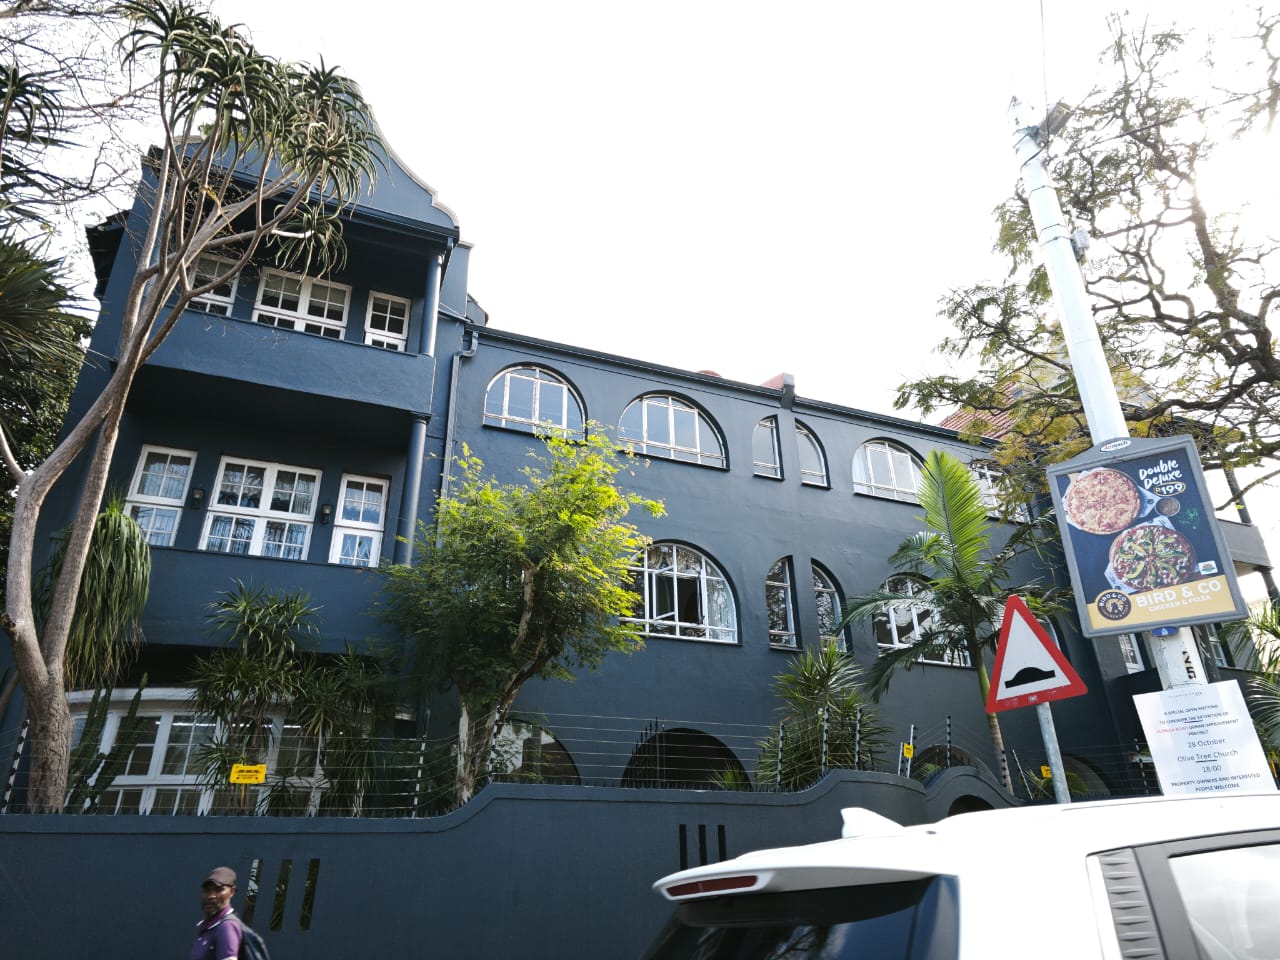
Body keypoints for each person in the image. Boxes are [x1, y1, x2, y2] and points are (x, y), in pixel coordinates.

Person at [189, 866, 243, 960]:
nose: (211, 896)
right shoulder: (206, 927)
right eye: (207, 890)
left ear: (232, 892)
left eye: (218, 890)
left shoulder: (227, 927)